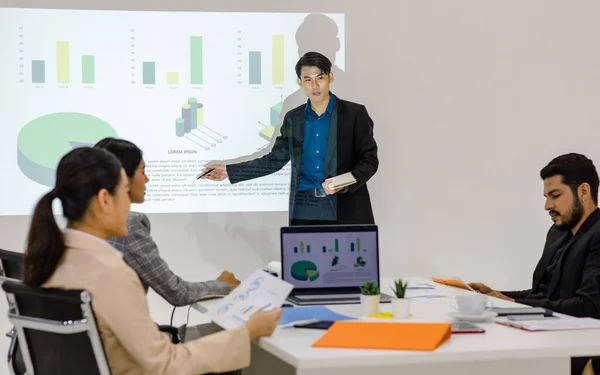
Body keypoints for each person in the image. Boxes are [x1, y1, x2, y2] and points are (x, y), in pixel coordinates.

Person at [23, 147, 282, 374]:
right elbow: (166, 365)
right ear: (104, 199)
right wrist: (247, 332)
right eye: (125, 191)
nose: (129, 204)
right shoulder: (112, 274)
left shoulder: (50, 259)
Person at [201, 52, 378, 225]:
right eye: (308, 80)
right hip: (306, 211)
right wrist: (229, 171)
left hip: (347, 209)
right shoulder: (293, 118)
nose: (314, 85)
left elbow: (369, 160)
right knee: (305, 256)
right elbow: (274, 160)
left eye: (320, 78)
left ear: (330, 77)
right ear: (300, 82)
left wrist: (344, 183)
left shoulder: (355, 114)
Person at [468, 153, 600, 375]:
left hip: (575, 344)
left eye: (555, 195)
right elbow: (543, 293)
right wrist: (495, 294)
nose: (548, 205)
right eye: (546, 197)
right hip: (546, 336)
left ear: (583, 192)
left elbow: (589, 307)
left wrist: (514, 304)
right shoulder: (558, 234)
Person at [95, 138, 240, 309]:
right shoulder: (129, 224)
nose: (147, 179)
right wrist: (223, 285)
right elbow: (177, 293)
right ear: (123, 178)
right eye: (143, 172)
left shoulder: (87, 221)